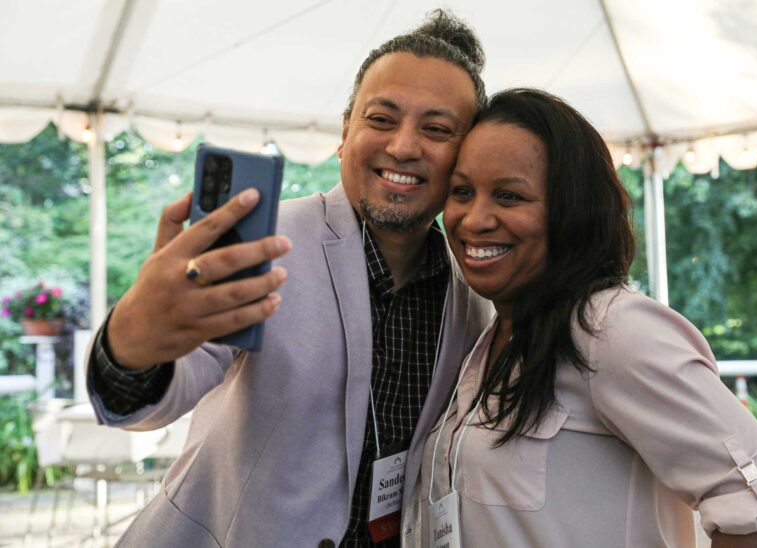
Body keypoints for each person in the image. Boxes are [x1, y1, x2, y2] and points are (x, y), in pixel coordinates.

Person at [86, 10, 494, 547]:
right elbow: (153, 398)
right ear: (346, 130)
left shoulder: (476, 297)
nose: (402, 146)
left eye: (437, 129)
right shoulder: (265, 241)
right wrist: (130, 347)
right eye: (381, 119)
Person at [409, 88, 757, 548]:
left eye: (509, 196)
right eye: (462, 192)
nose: (474, 219)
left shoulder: (612, 329)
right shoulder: (491, 334)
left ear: (572, 210)